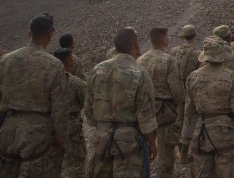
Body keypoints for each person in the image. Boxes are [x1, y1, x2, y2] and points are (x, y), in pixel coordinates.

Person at [0, 13, 69, 178]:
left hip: (7, 130)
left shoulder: (5, 60)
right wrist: (61, 138)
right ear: (50, 35)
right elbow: (59, 106)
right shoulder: (53, 64)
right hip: (37, 133)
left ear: (29, 33)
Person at [85, 28, 158, 177]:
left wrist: (103, 127)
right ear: (136, 45)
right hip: (128, 143)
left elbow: (88, 109)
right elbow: (146, 116)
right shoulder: (139, 73)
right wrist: (152, 142)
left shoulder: (98, 69)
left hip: (101, 139)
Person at [181, 36, 234, 177]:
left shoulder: (193, 77)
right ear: (223, 56)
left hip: (200, 134)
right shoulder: (231, 76)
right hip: (226, 134)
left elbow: (189, 111)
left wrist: (187, 140)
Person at [137, 27, 185, 178]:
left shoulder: (141, 60)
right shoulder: (169, 60)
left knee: (143, 149)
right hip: (166, 112)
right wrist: (179, 103)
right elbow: (177, 90)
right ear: (164, 40)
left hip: (145, 111)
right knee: (166, 151)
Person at [53, 48, 88, 178]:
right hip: (72, 129)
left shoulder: (47, 80)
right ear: (68, 61)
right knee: (77, 166)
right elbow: (88, 103)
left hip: (50, 128)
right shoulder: (74, 82)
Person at [171, 24, 200, 163]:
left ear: (182, 36)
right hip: (190, 92)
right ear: (195, 36)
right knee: (190, 121)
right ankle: (183, 155)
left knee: (178, 120)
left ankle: (179, 149)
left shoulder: (174, 51)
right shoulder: (198, 53)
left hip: (176, 90)